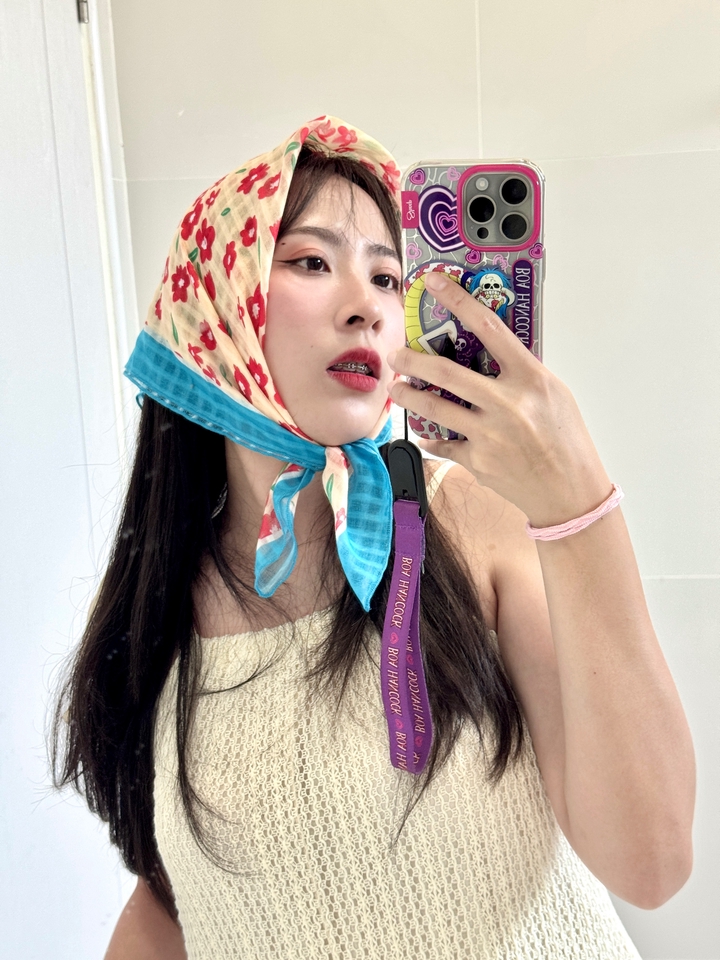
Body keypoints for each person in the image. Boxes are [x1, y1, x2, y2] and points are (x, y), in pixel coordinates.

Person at [51, 116, 695, 960]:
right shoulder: (157, 611)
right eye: (312, 262)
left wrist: (578, 506)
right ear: (215, 303)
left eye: (389, 277)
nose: (367, 306)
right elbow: (174, 900)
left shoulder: (474, 524)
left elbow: (652, 862)